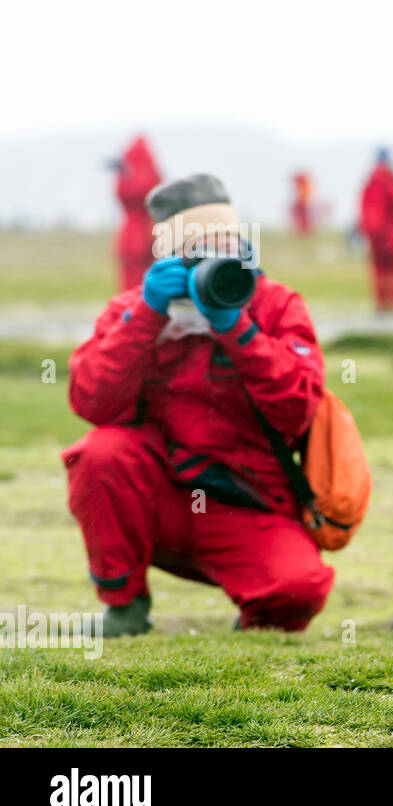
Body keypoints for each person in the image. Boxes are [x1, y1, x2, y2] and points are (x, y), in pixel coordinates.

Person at [63, 174, 334, 637]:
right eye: (199, 252)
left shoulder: (274, 306)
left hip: (244, 501)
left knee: (301, 587)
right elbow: (90, 399)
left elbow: (298, 410)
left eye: (229, 248)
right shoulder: (137, 307)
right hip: (160, 499)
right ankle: (124, 607)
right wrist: (146, 317)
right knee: (99, 454)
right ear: (170, 257)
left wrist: (241, 332)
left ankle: (260, 613)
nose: (217, 263)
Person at [359, 148, 393, 311]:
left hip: (375, 237)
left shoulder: (369, 184)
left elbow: (364, 211)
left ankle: (381, 304)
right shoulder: (392, 182)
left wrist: (367, 232)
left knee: (379, 271)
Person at [109, 135, 162, 291]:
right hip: (135, 236)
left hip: (143, 235)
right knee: (132, 285)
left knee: (142, 284)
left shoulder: (146, 177)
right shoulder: (147, 174)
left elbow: (140, 192)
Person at [290, 170, 314, 236]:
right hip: (302, 203)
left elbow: (306, 195)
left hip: (304, 203)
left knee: (304, 218)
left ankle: (304, 232)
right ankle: (302, 232)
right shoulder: (303, 184)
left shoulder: (305, 185)